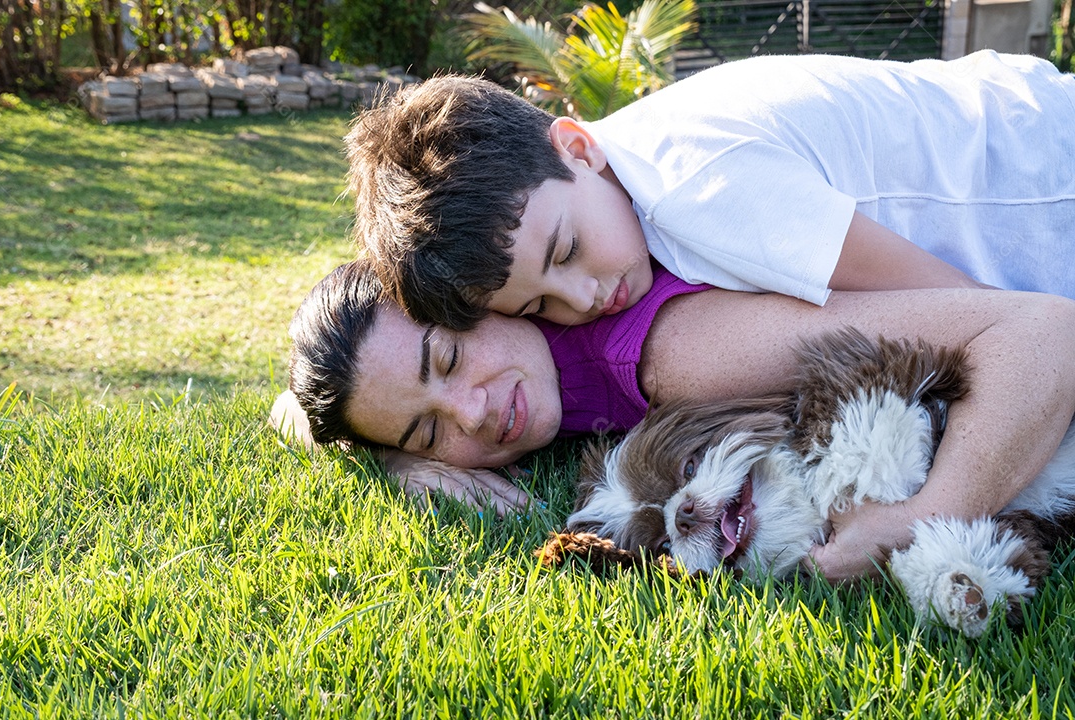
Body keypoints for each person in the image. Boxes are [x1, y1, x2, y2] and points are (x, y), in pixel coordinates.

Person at [274, 258, 1075, 581]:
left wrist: (917, 521)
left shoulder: (676, 357)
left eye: (447, 362)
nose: (475, 417)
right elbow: (295, 406)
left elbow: (1044, 331)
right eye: (427, 427)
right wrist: (399, 462)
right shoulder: (511, 350)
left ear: (472, 289)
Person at [346, 51, 1075, 330]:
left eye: (566, 250)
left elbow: (973, 315)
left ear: (575, 146)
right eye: (539, 306)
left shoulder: (695, 184)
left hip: (1048, 179)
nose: (584, 299)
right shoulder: (617, 179)